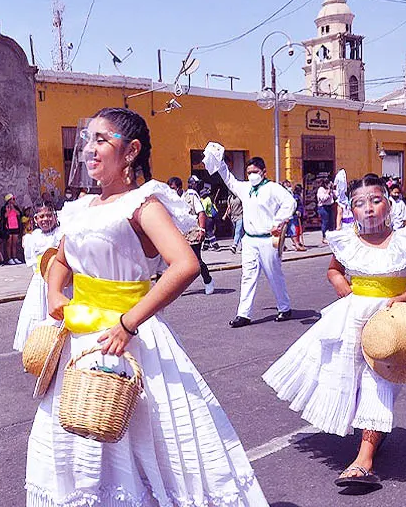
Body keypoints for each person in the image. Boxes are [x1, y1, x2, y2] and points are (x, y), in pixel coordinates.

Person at [30, 107, 267, 506]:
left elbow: (185, 264)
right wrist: (55, 294)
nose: (89, 149)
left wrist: (129, 322)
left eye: (101, 140)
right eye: (88, 140)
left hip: (127, 338)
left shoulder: (143, 202)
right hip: (80, 339)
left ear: (131, 151)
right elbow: (61, 260)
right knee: (78, 440)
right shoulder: (79, 209)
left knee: (144, 444)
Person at [265, 174, 406, 489]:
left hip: (389, 325)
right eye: (360, 204)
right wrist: (344, 289)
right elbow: (334, 269)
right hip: (351, 319)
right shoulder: (347, 240)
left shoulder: (405, 240)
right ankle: (373, 435)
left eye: (376, 200)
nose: (369, 209)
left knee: (379, 384)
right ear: (352, 209)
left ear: (389, 203)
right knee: (352, 379)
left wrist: (398, 300)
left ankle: (364, 459)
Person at [203, 150, 295, 327]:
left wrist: (278, 221)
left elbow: (290, 203)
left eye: (255, 172)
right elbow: (229, 180)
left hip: (268, 239)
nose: (252, 175)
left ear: (264, 172)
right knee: (247, 276)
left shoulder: (273, 188)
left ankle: (284, 308)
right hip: (250, 240)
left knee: (274, 275)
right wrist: (220, 163)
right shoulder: (245, 189)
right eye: (249, 172)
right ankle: (243, 314)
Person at [13, 201, 64, 351]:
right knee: (36, 313)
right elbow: (32, 262)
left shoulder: (60, 234)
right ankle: (36, 350)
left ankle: (58, 349)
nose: (45, 219)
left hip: (59, 281)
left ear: (55, 216)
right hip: (40, 281)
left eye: (49, 215)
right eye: (41, 216)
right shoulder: (32, 238)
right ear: (35, 219)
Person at [168, 176, 215, 294]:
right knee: (179, 262)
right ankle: (181, 286)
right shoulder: (170, 201)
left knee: (197, 261)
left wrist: (202, 229)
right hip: (179, 234)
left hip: (193, 232)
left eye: (173, 188)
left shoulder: (191, 196)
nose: (171, 190)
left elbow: (201, 213)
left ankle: (208, 280)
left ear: (179, 188)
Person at [1, 194, 25, 264]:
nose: (14, 200)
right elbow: (4, 216)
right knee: (9, 243)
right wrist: (8, 211)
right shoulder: (4, 208)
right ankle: (9, 258)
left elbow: (19, 214)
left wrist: (13, 208)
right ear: (9, 200)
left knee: (14, 243)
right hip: (8, 228)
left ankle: (15, 257)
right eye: (13, 199)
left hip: (15, 227)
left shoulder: (16, 207)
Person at [288, 184, 308, 251]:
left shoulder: (299, 196)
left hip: (300, 214)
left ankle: (298, 242)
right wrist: (297, 211)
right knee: (296, 229)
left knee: (299, 229)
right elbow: (296, 205)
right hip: (296, 215)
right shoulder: (295, 197)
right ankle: (296, 243)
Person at [316, 178, 335, 244]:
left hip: (330, 206)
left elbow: (335, 197)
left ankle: (330, 236)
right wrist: (328, 192)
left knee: (331, 222)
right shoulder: (321, 190)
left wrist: (332, 190)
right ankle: (324, 237)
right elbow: (323, 199)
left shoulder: (330, 190)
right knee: (325, 223)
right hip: (323, 207)